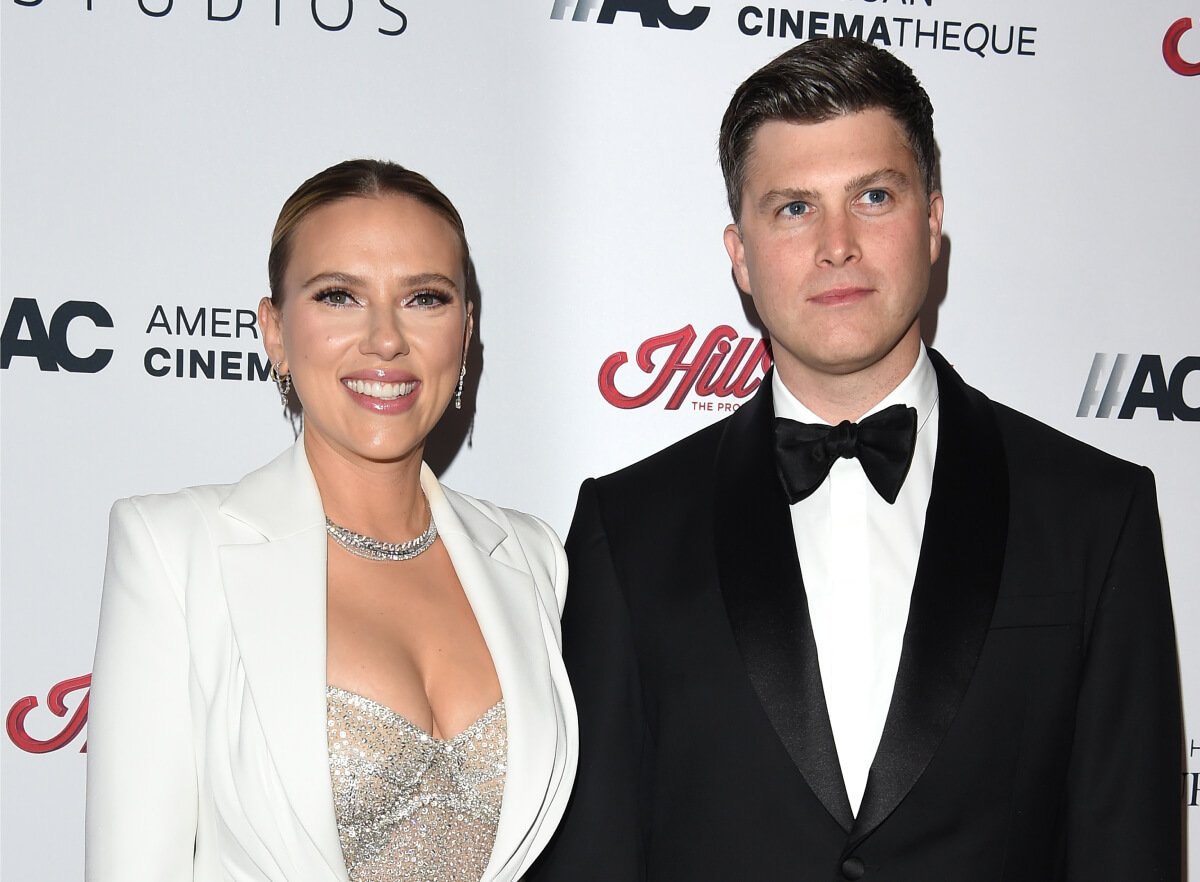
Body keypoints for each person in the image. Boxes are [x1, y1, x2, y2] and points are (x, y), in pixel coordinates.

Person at [528, 38, 1181, 881]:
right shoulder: (629, 529)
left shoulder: (1096, 513)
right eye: (793, 208)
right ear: (740, 256)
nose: (837, 244)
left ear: (932, 220)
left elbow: (1129, 850)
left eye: (874, 196)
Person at [85, 159, 577, 882]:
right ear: (276, 331)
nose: (385, 339)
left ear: (466, 331)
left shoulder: (533, 557)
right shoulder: (175, 550)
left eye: (425, 298)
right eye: (340, 295)